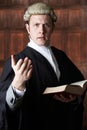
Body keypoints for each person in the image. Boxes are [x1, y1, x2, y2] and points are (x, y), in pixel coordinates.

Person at [0, 2, 86, 130]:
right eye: (36, 25)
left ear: (53, 28)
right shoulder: (17, 61)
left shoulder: (61, 56)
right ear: (28, 28)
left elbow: (79, 85)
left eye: (46, 25)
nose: (42, 30)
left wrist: (73, 98)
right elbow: (4, 106)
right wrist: (17, 86)